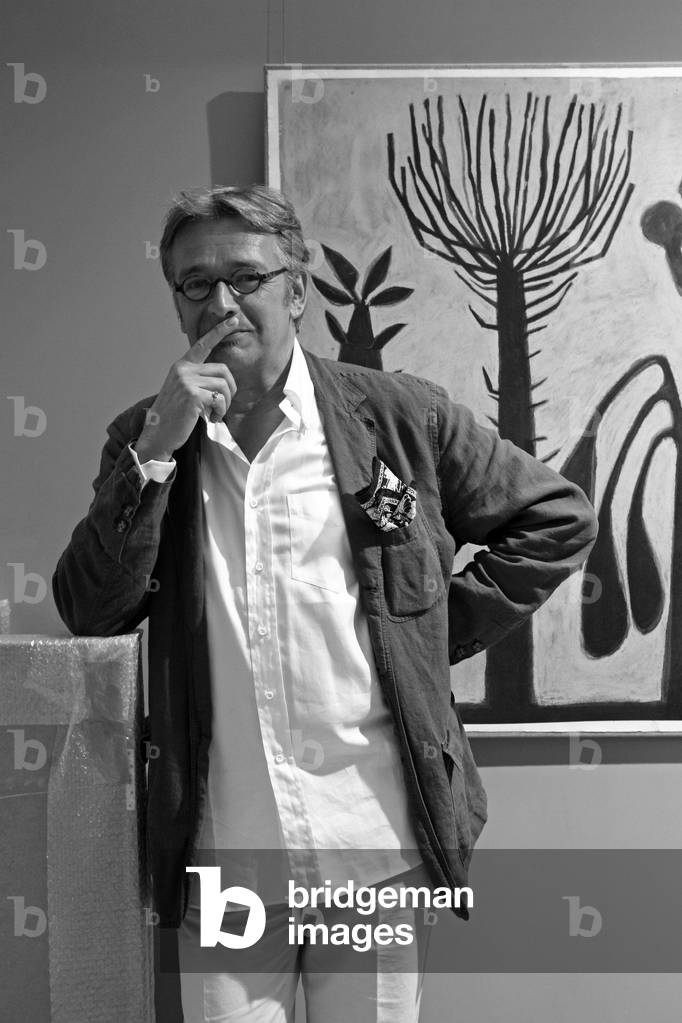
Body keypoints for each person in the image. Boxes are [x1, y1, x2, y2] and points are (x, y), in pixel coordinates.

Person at [52, 184, 598, 1022]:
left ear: (297, 289)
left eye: (246, 277)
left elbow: (557, 518)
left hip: (371, 839)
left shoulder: (397, 416)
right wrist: (153, 455)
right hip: (224, 850)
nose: (222, 303)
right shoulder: (147, 432)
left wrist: (429, 635)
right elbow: (91, 611)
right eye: (195, 284)